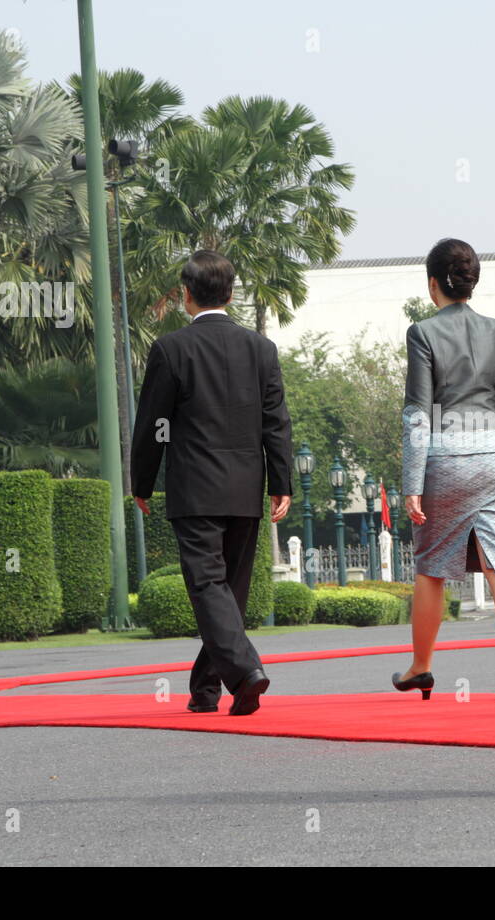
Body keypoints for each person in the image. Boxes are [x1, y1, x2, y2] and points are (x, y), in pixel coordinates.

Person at [131, 250, 293, 716]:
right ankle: (206, 690)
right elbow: (275, 422)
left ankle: (245, 672)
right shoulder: (261, 349)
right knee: (228, 593)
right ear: (230, 292)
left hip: (196, 491)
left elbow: (153, 425)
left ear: (186, 294)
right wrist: (281, 480)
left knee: (208, 587)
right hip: (246, 489)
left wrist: (141, 481)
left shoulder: (171, 349)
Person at [394, 238, 495, 700]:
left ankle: (421, 667)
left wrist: (411, 484)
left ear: (434, 284)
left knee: (430, 566)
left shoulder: (423, 333)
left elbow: (418, 413)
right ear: (473, 282)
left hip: (445, 456)